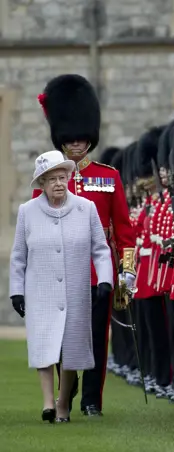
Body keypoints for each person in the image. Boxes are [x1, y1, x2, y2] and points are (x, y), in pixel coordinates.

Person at [35, 74, 136, 417]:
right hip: (60, 272)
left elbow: (123, 229)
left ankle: (92, 399)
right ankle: (68, 385)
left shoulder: (109, 177)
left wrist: (127, 271)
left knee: (96, 338)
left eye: (82, 139)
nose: (77, 145)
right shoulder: (49, 178)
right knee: (62, 338)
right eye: (70, 139)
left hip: (97, 273)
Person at [9, 150, 114, 424]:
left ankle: (63, 402)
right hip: (40, 291)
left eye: (61, 177)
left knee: (71, 350)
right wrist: (16, 291)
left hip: (76, 291)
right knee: (44, 347)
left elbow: (100, 250)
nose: (58, 183)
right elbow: (18, 256)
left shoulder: (86, 208)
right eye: (51, 179)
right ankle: (47, 403)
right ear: (41, 183)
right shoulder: (27, 212)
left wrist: (105, 280)